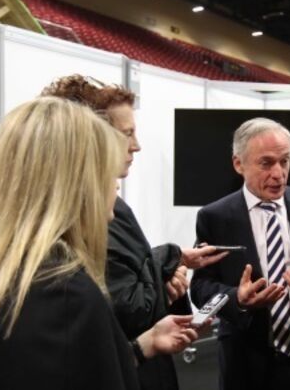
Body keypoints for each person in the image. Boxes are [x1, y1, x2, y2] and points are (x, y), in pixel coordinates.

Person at [0, 97, 199, 390]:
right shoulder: (68, 295)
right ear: (79, 185)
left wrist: (144, 345)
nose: (116, 185)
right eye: (106, 172)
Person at [42, 75, 226, 390]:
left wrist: (167, 270)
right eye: (127, 134)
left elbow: (128, 282)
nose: (136, 146)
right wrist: (168, 260)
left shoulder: (112, 208)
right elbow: (131, 308)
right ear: (93, 138)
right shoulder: (87, 220)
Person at [190, 117, 290, 390]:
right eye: (266, 163)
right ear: (238, 164)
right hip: (246, 362)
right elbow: (200, 287)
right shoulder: (215, 217)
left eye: (284, 161)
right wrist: (237, 299)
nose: (279, 173)